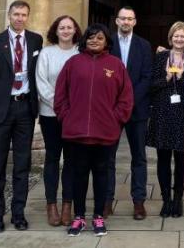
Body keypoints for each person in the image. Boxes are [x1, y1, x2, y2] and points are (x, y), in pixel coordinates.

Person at [55, 23, 133, 237]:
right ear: (84, 40)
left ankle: (98, 216)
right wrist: (66, 116)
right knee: (78, 175)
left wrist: (115, 120)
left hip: (105, 133)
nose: (94, 41)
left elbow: (126, 98)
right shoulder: (73, 63)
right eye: (90, 37)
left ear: (107, 41)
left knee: (101, 175)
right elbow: (60, 95)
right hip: (77, 133)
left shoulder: (116, 65)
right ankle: (79, 217)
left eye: (99, 38)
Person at [0, 0, 44, 233]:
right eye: (16, 14)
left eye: (24, 14)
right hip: (1, 111)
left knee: (22, 165)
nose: (19, 18)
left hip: (25, 109)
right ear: (9, 15)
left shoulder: (36, 40)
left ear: (28, 17)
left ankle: (18, 213)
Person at [106, 6, 153, 220]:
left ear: (135, 22)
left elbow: (147, 77)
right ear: (117, 21)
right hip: (110, 110)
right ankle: (106, 200)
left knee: (139, 157)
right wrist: (115, 103)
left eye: (130, 19)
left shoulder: (144, 46)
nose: (126, 22)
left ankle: (139, 202)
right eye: (122, 19)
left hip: (137, 109)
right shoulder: (106, 43)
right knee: (107, 157)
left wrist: (129, 100)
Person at [35, 14, 81, 227]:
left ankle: (67, 206)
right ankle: (51, 204)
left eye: (69, 27)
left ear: (75, 30)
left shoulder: (81, 53)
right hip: (50, 115)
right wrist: (61, 105)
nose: (65, 31)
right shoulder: (46, 53)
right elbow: (42, 83)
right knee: (53, 158)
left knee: (72, 160)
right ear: (56, 30)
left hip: (74, 116)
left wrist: (72, 109)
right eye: (62, 27)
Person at [146, 21, 184, 218]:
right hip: (163, 113)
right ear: (170, 38)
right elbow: (150, 86)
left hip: (183, 113)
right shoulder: (161, 57)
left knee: (181, 158)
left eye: (182, 36)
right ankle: (166, 200)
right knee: (163, 158)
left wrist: (180, 78)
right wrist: (165, 78)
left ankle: (178, 199)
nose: (179, 39)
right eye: (175, 36)